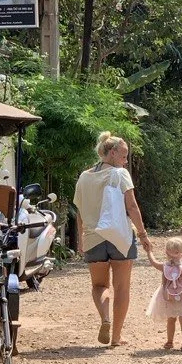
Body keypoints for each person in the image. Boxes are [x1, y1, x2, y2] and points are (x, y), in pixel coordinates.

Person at [73, 132, 150, 348]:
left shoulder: (84, 177)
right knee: (122, 287)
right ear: (113, 152)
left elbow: (79, 210)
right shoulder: (120, 174)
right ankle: (116, 336)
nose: (125, 161)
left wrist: (80, 236)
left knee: (99, 285)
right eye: (124, 156)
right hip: (120, 237)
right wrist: (143, 235)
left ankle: (105, 318)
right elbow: (132, 206)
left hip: (93, 237)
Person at [145, 237, 182, 351]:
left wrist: (149, 252)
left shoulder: (164, 266)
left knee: (171, 319)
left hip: (169, 297)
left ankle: (170, 341)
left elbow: (154, 263)